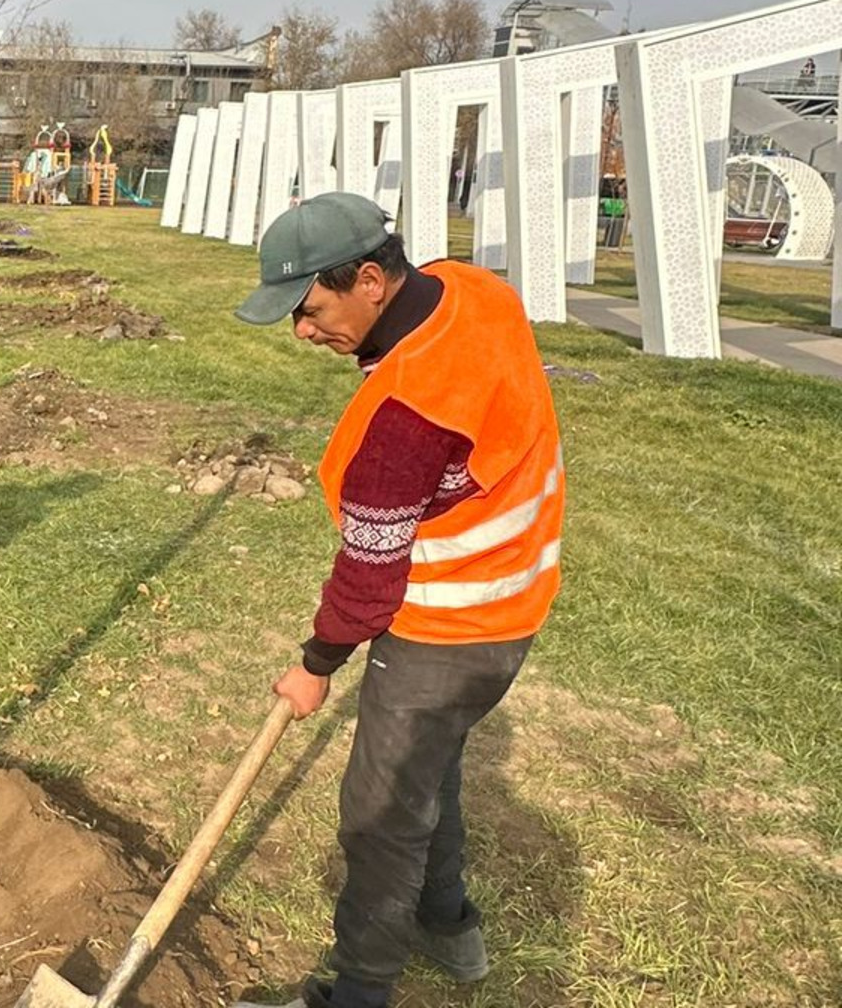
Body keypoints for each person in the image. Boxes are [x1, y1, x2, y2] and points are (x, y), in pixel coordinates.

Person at [229, 192, 565, 1008]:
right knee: (429, 773)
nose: (303, 334)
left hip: (444, 630)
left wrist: (315, 667)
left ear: (371, 279)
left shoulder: (402, 420)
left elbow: (369, 577)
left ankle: (357, 995)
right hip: (517, 605)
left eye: (308, 310)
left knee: (379, 817)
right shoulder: (475, 291)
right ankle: (451, 928)